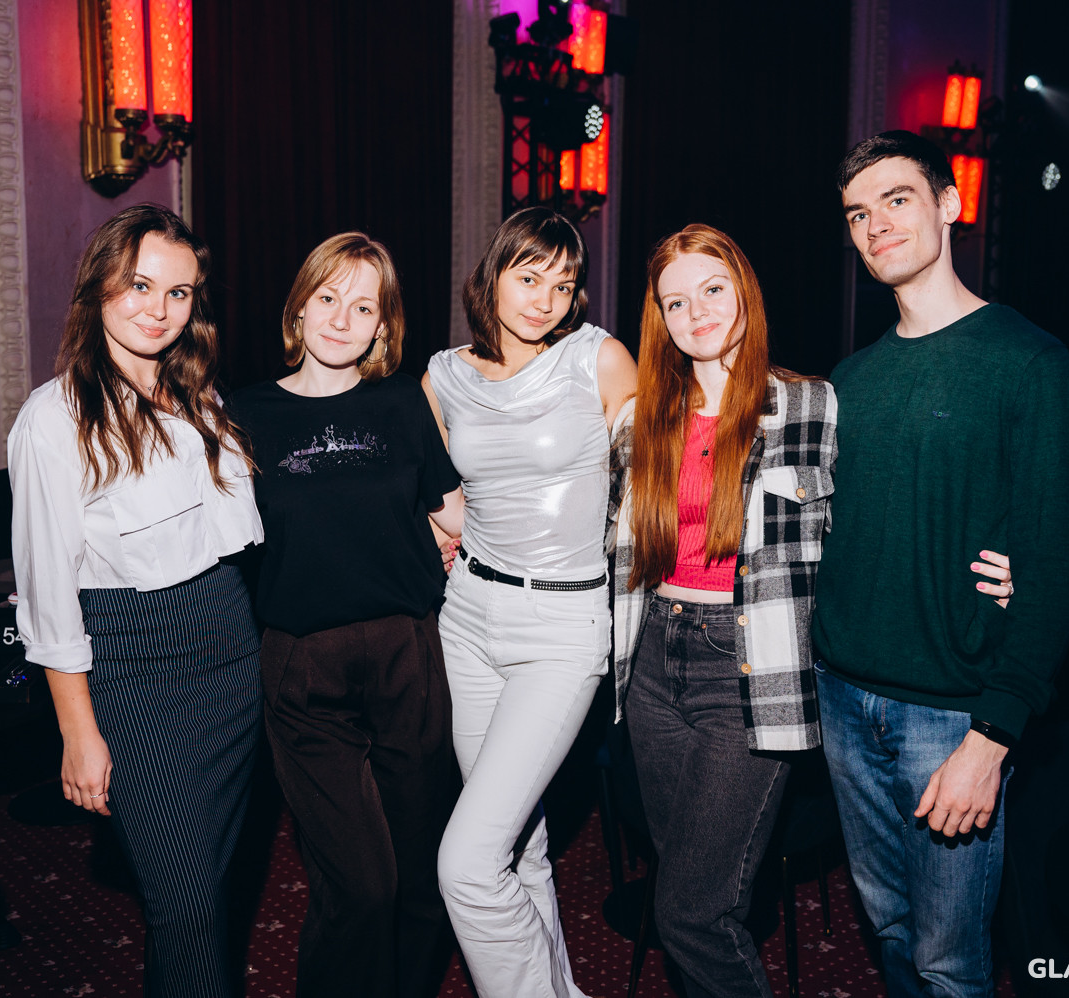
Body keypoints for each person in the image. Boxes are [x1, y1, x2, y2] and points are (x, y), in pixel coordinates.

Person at [606, 224, 1012, 998]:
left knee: (690, 911)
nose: (696, 312)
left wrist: (1003, 557)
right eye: (675, 301)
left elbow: (894, 503)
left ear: (745, 293)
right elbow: (592, 540)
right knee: (686, 884)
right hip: (652, 663)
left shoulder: (811, 405)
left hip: (750, 667)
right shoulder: (637, 420)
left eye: (712, 290)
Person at [813, 131, 1069, 998]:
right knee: (890, 929)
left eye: (897, 200)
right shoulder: (849, 380)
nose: (875, 225)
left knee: (949, 960)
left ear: (949, 203)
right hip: (842, 698)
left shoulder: (1029, 363)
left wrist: (993, 737)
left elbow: (1060, 567)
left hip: (952, 715)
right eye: (857, 214)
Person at [8, 203, 264, 998]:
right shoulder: (52, 421)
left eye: (179, 292)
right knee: (184, 903)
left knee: (206, 897)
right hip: (133, 667)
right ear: (100, 287)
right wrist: (77, 733)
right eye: (140, 285)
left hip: (230, 654)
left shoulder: (199, 398)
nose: (159, 309)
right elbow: (48, 598)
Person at [226, 232, 465, 998]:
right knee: (359, 886)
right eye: (328, 297)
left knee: (422, 874)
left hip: (407, 655)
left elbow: (454, 512)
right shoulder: (244, 413)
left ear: (382, 325)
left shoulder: (401, 402)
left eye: (363, 307)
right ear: (299, 308)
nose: (341, 318)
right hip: (304, 666)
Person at [422, 206, 637, 998]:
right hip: (468, 618)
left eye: (564, 284)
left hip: (563, 627)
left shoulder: (597, 359)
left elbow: (655, 479)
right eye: (529, 276)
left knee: (467, 864)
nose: (546, 299)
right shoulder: (443, 375)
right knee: (519, 848)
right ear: (493, 275)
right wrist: (437, 531)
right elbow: (439, 491)